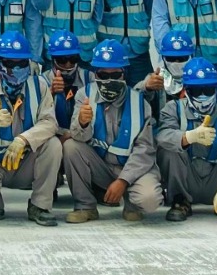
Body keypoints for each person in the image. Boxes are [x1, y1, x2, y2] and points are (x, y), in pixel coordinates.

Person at [63, 38, 164, 224]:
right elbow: (78, 137)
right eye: (103, 75)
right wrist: (82, 123)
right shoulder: (84, 95)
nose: (109, 80)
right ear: (95, 74)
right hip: (102, 166)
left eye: (115, 75)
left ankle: (132, 204)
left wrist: (123, 181)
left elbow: (145, 151)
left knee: (149, 200)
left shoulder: (140, 103)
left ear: (124, 74)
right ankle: (85, 207)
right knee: (71, 146)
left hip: (132, 168)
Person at [0, 29, 60, 226]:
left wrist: (23, 139)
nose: (16, 69)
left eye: (21, 64)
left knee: (53, 145)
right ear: (0, 63)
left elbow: (50, 122)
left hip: (25, 160)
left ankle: (40, 205)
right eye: (10, 63)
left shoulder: (40, 86)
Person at [156, 58, 217, 223]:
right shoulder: (172, 109)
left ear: (215, 89)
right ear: (186, 90)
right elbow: (161, 137)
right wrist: (187, 137)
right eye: (196, 91)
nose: (202, 96)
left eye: (208, 90)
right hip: (186, 179)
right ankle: (180, 200)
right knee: (169, 147)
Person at [46, 30, 92, 136]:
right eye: (62, 60)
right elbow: (36, 116)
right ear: (53, 59)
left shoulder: (89, 78)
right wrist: (50, 93)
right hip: (52, 134)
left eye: (73, 59)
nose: (68, 65)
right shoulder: (42, 81)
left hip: (82, 134)